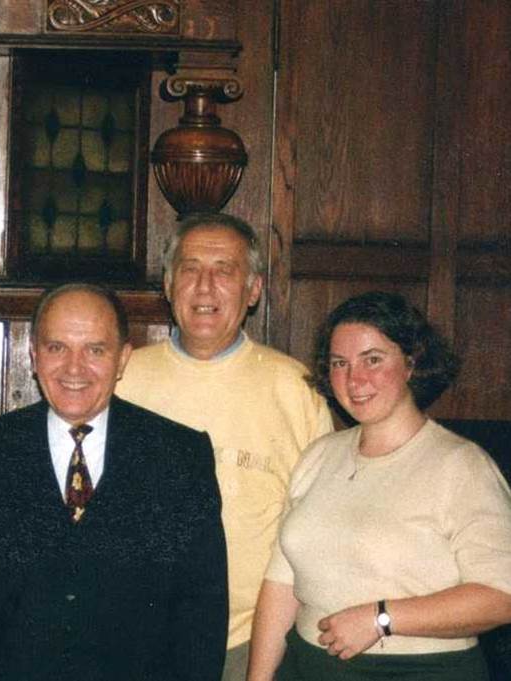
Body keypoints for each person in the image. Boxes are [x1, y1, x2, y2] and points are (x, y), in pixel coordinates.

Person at [0, 283, 229, 681]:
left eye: (95, 350)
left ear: (122, 359)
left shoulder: (179, 456)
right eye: (57, 348)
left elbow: (202, 618)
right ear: (34, 355)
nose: (74, 368)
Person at [248, 291, 511, 681]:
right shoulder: (319, 455)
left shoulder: (461, 466)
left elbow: (502, 595)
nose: (355, 379)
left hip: (419, 673)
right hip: (307, 668)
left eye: (373, 359)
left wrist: (382, 618)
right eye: (340, 363)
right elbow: (281, 585)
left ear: (411, 362)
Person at [115, 212, 333, 679]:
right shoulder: (121, 379)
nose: (204, 287)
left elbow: (323, 527)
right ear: (168, 285)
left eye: (224, 271)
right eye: (190, 269)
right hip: (138, 639)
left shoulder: (295, 389)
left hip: (255, 644)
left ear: (253, 290)